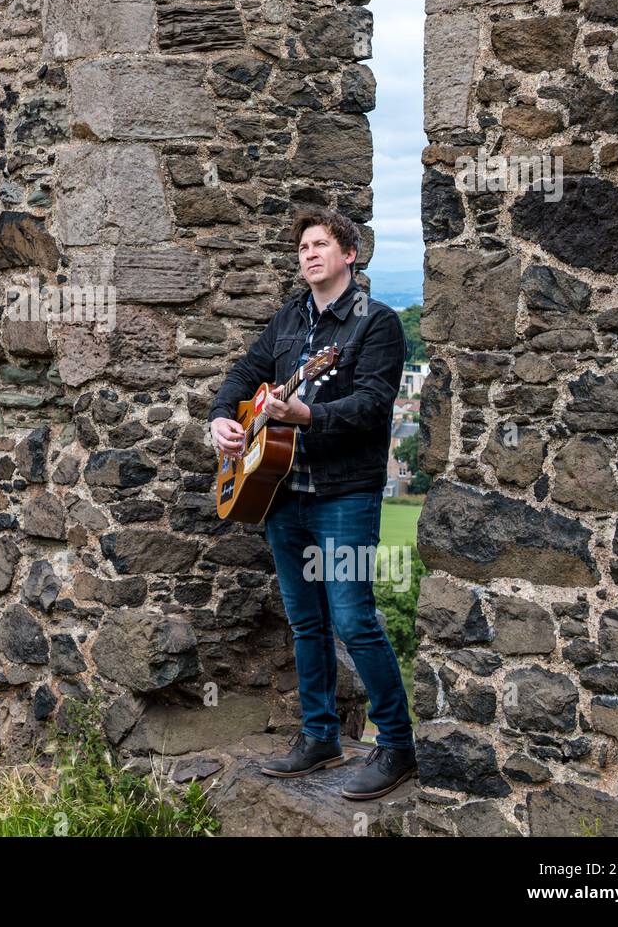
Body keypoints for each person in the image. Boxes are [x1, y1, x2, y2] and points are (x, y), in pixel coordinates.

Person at [207, 208, 415, 800]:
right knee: (307, 623)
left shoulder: (377, 325)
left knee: (354, 619)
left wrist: (307, 414)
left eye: (320, 244)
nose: (308, 254)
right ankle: (320, 735)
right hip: (280, 495)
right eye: (302, 247)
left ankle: (397, 745)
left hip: (344, 496)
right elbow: (244, 373)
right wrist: (223, 419)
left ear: (351, 254)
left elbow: (374, 408)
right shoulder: (288, 320)